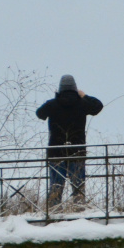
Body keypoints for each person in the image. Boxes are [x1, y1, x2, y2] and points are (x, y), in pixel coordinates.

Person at [35, 74, 104, 207]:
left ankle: (54, 212)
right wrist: (84, 96)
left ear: (60, 88)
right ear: (75, 88)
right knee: (78, 188)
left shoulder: (52, 104)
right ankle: (79, 210)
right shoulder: (82, 103)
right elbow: (98, 107)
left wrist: (56, 98)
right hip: (77, 152)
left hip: (56, 153)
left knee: (56, 187)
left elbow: (40, 113)